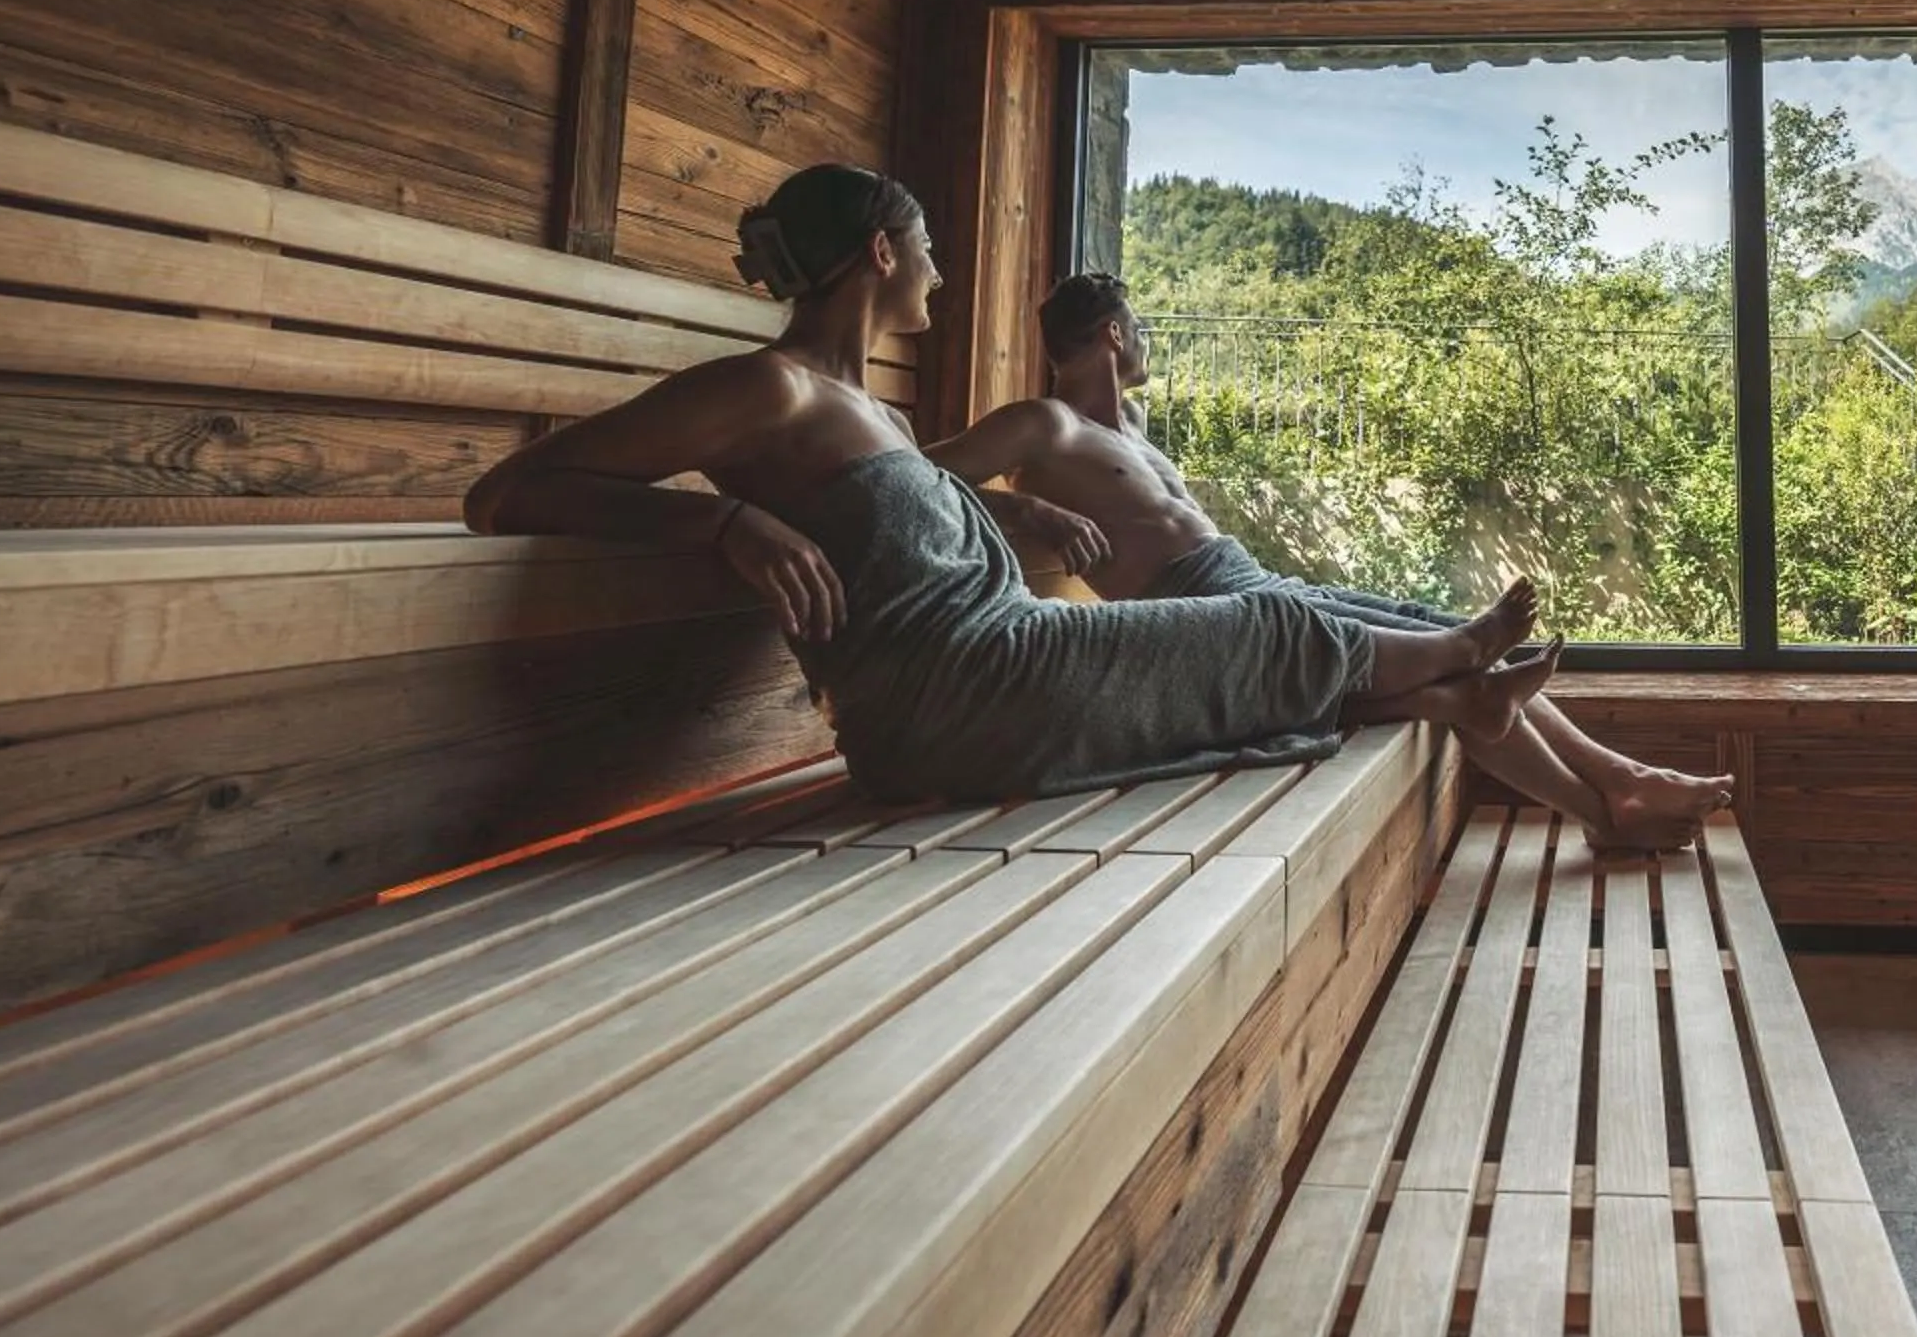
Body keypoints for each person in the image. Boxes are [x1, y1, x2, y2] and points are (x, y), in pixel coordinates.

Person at [462, 165, 1563, 806]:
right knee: (1264, 621)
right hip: (950, 692)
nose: (941, 268)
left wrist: (1011, 507)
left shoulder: (873, 412)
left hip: (997, 663)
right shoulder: (768, 389)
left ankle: (1451, 688)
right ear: (882, 255)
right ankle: (1459, 660)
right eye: (929, 247)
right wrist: (725, 521)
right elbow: (511, 491)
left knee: (1259, 631)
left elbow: (884, 512)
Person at [923, 272, 1735, 851]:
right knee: (1459, 667)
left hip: (1251, 582)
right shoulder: (1040, 423)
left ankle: (1619, 783)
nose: (1144, 342)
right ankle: (1607, 802)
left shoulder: (1129, 420)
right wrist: (1025, 507)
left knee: (1454, 646)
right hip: (1200, 612)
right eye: (1138, 329)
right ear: (1112, 334)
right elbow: (922, 475)